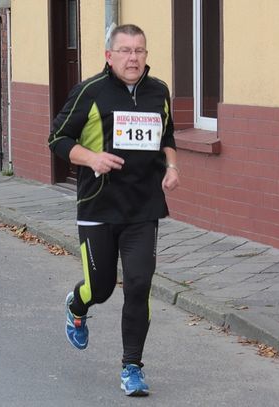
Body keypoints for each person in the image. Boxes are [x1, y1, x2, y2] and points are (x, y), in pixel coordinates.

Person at [48, 24, 180, 397]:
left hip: (143, 208)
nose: (133, 58)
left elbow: (167, 136)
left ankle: (132, 367)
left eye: (139, 50)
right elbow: (58, 139)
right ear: (109, 56)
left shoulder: (159, 92)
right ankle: (77, 305)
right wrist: (92, 158)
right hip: (98, 206)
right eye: (125, 51)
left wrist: (172, 167)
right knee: (101, 288)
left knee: (139, 285)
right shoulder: (90, 92)